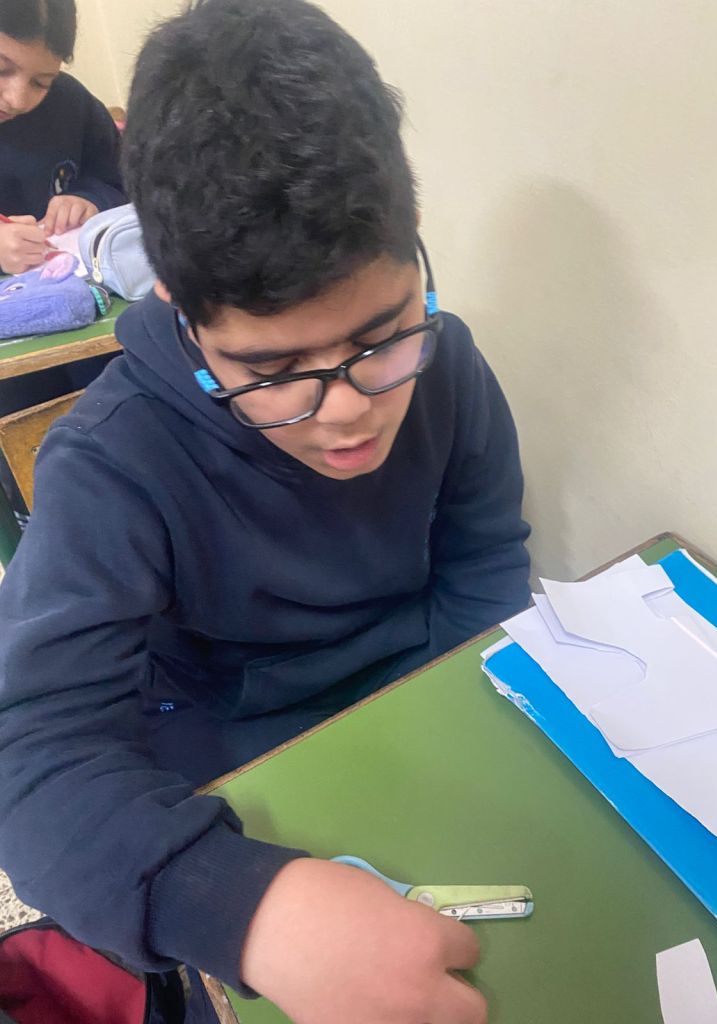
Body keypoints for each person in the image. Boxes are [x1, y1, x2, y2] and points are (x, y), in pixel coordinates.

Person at [0, 1, 531, 1021]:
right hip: (237, 767)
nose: (349, 409)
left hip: (434, 721)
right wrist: (239, 909)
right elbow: (33, 762)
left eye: (381, 336)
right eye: (275, 371)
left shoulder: (449, 363)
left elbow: (487, 569)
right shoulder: (109, 465)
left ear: (415, 243)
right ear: (176, 303)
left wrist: (461, 732)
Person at [0, 0, 126, 275]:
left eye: (40, 83)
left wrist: (90, 199)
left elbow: (122, 179)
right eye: (1, 69)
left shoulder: (71, 104)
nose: (17, 100)